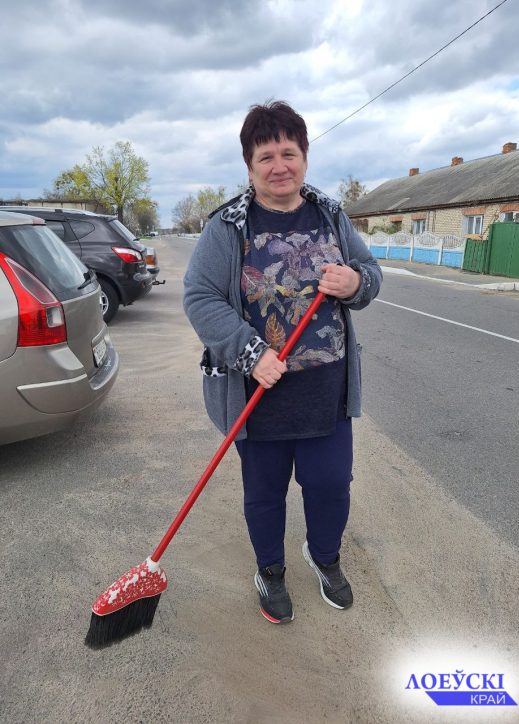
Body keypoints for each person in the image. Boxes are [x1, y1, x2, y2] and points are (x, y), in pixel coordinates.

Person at [183, 101, 382, 624]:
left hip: (326, 392)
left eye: (288, 153)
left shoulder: (331, 214)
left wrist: (355, 282)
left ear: (305, 157)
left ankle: (325, 558)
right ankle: (270, 569)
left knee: (330, 485)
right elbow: (201, 297)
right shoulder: (228, 225)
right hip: (260, 394)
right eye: (265, 156)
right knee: (265, 494)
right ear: (249, 166)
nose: (279, 166)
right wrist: (251, 353)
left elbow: (370, 272)